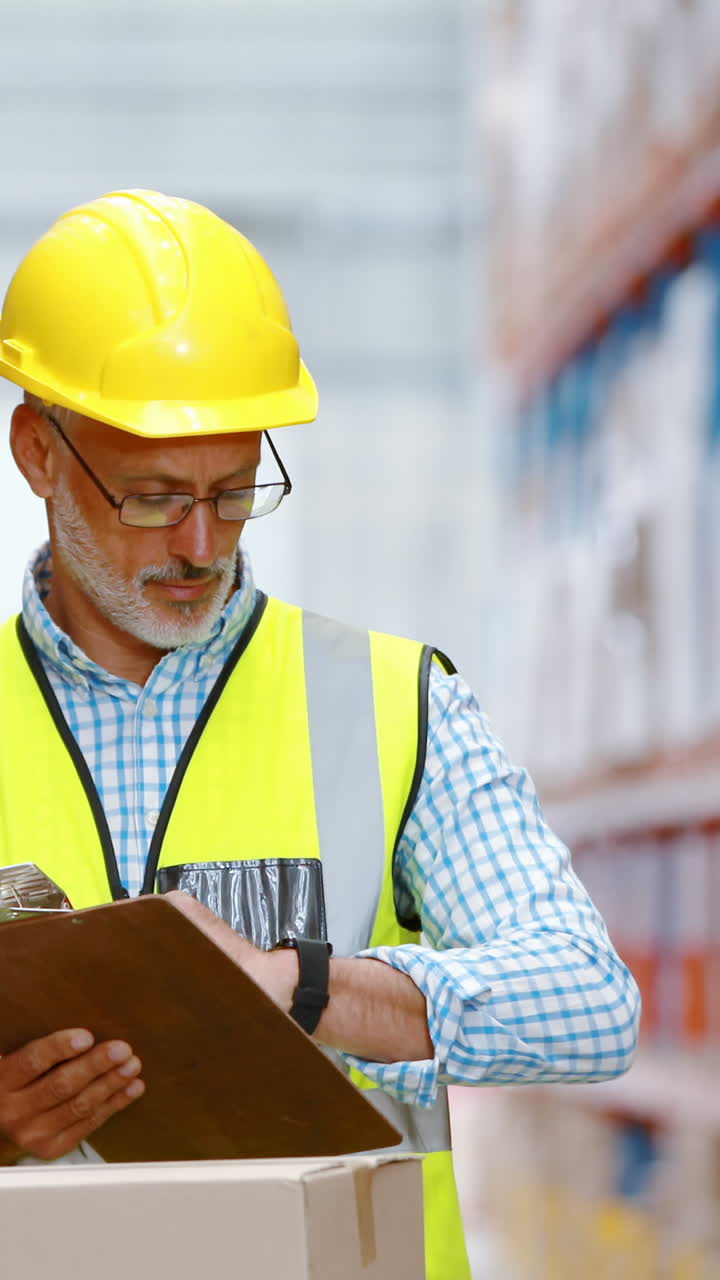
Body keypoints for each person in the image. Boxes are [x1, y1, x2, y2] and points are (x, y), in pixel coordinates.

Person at [0, 190, 640, 1280]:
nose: (201, 542)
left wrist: (314, 987)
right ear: (40, 454)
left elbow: (589, 998)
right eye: (153, 496)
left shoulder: (394, 699)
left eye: (237, 492)